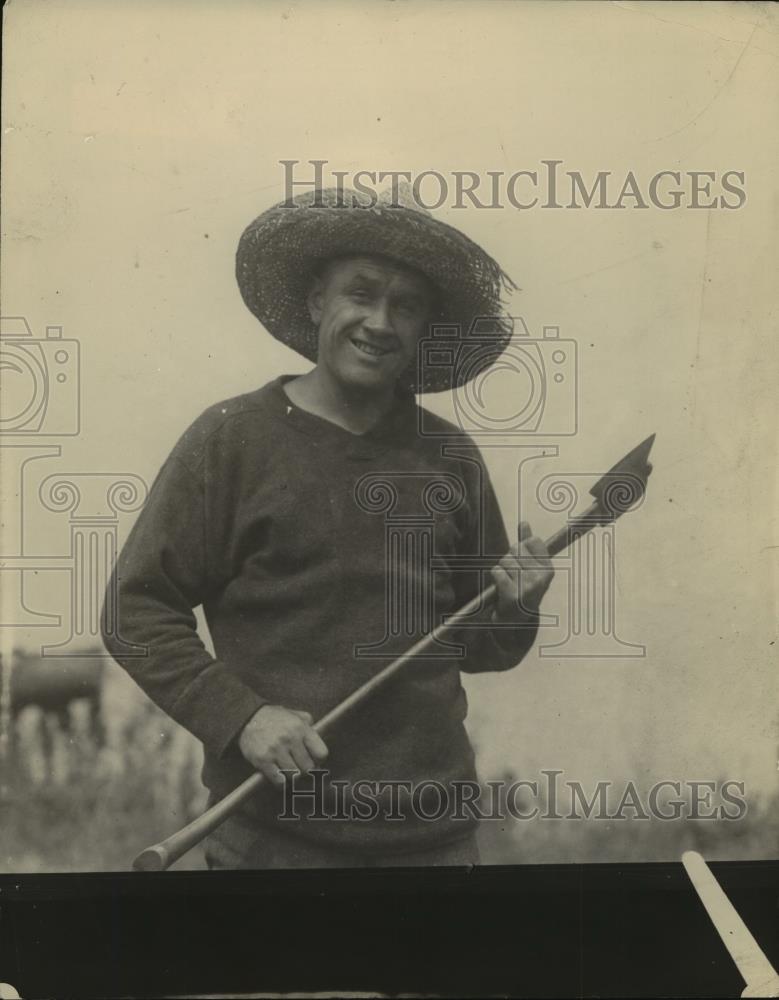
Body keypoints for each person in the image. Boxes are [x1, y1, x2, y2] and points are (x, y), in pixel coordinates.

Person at [103, 183, 554, 868]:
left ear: (424, 330)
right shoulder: (232, 439)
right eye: (360, 293)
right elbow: (135, 609)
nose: (379, 322)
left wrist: (517, 606)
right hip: (270, 847)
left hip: (436, 846)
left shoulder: (450, 458)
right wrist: (243, 717)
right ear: (317, 301)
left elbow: (479, 645)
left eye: (405, 306)